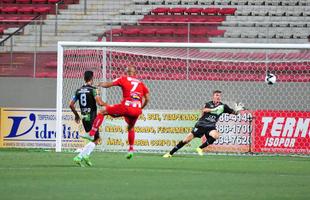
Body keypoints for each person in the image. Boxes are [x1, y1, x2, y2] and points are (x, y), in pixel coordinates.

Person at [80, 66, 150, 159]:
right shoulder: (141, 83)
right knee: (131, 127)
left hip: (126, 106)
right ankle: (131, 150)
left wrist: (100, 84)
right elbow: (147, 98)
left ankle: (91, 133)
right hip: (137, 110)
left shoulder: (123, 79)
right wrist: (141, 108)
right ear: (135, 73)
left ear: (126, 72)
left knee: (102, 111)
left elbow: (109, 84)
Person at [163, 90, 244, 158]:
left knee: (216, 135)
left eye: (219, 95)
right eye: (217, 95)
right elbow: (204, 110)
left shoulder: (223, 106)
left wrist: (238, 110)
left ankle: (200, 148)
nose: (218, 97)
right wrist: (214, 110)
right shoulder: (208, 104)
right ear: (213, 96)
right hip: (201, 124)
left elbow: (234, 113)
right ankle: (170, 153)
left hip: (210, 126)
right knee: (186, 140)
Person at [69, 70, 106, 167]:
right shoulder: (94, 90)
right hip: (92, 118)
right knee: (97, 139)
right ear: (92, 78)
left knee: (94, 139)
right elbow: (99, 103)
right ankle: (80, 156)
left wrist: (76, 115)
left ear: (84, 78)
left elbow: (71, 104)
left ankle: (86, 156)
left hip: (84, 117)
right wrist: (108, 105)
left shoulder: (78, 90)